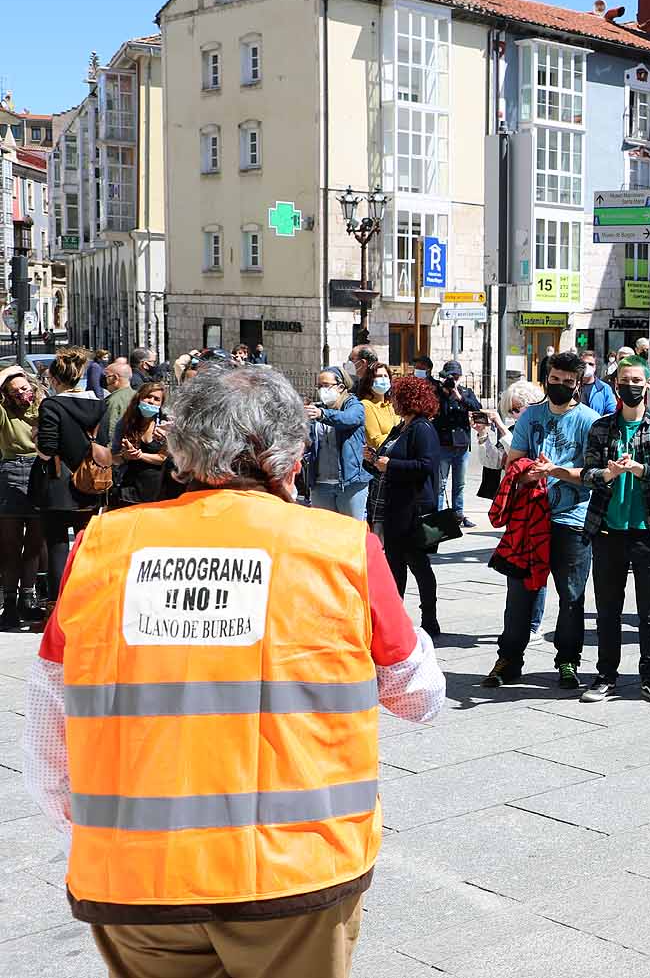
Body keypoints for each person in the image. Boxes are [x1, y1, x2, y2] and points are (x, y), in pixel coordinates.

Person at [22, 361, 443, 978]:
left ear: (179, 453)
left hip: (135, 878)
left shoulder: (103, 545)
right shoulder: (341, 547)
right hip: (294, 874)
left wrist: (90, 832)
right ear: (291, 459)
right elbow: (418, 697)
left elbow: (47, 724)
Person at [481, 351, 598, 689]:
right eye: (555, 379)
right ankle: (509, 659)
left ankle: (568, 661)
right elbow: (513, 461)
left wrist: (556, 471)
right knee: (519, 593)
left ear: (577, 385)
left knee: (571, 595)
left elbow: (594, 475)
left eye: (568, 382)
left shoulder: (590, 421)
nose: (560, 385)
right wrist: (527, 472)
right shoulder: (531, 416)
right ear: (547, 378)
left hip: (572, 518)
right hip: (529, 517)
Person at [578, 356, 650, 705]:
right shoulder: (602, 428)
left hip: (649, 532)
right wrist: (605, 475)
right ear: (616, 383)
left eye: (637, 380)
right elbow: (587, 474)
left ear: (648, 384)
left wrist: (638, 469)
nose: (631, 386)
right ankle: (606, 674)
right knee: (608, 609)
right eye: (625, 380)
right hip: (608, 530)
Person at [33, 347, 108, 615]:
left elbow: (48, 448)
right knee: (85, 542)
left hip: (57, 483)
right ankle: (88, 600)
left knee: (56, 544)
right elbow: (103, 443)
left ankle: (57, 606)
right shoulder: (99, 405)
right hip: (90, 482)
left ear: (54, 379)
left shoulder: (52, 405)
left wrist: (35, 437)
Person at [369, 373, 443, 639]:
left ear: (409, 399)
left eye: (396, 397)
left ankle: (429, 618)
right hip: (394, 505)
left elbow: (427, 466)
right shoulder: (400, 428)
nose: (392, 401)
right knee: (394, 564)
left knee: (418, 563)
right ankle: (394, 617)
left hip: (414, 508)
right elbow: (387, 461)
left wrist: (391, 465)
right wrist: (375, 460)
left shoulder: (422, 428)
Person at [1, 366, 45, 630]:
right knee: (9, 543)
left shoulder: (42, 407)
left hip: (39, 471)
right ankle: (9, 602)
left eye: (24, 387)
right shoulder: (4, 412)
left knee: (35, 542)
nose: (21, 393)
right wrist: (5, 373)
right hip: (10, 471)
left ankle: (28, 598)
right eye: (13, 390)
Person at [303, 367, 371, 519]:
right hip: (321, 484)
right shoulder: (318, 409)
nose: (322, 390)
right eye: (319, 386)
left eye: (326, 385)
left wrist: (322, 415)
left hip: (350, 484)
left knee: (351, 531)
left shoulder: (355, 406)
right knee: (325, 534)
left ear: (341, 387)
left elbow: (348, 419)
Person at [431, 359, 482, 527]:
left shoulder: (465, 392)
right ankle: (438, 516)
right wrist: (445, 394)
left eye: (457, 376)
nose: (454, 379)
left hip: (461, 445)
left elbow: (477, 407)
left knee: (459, 484)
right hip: (443, 444)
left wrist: (459, 397)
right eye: (451, 375)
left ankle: (458, 515)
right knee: (441, 484)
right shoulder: (438, 393)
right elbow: (436, 412)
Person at [474, 380, 541, 508]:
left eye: (516, 409)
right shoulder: (513, 429)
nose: (513, 415)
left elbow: (521, 457)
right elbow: (494, 462)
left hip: (536, 494)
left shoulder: (540, 429)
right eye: (510, 411)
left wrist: (501, 427)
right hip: (514, 496)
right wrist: (482, 433)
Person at [112, 382, 172, 508]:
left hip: (156, 491)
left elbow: (161, 458)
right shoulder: (125, 423)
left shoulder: (164, 426)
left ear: (161, 404)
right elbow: (114, 458)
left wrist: (139, 455)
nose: (151, 401)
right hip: (128, 489)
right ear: (139, 398)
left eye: (156, 399)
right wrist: (125, 456)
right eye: (148, 396)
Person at [358, 362, 398, 455]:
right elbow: (376, 441)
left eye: (385, 376)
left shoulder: (391, 405)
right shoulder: (366, 405)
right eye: (379, 376)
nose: (383, 379)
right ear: (369, 380)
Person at [101, 359, 134, 438]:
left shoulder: (113, 401)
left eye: (107, 376)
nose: (105, 380)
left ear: (115, 378)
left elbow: (110, 430)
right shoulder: (138, 395)